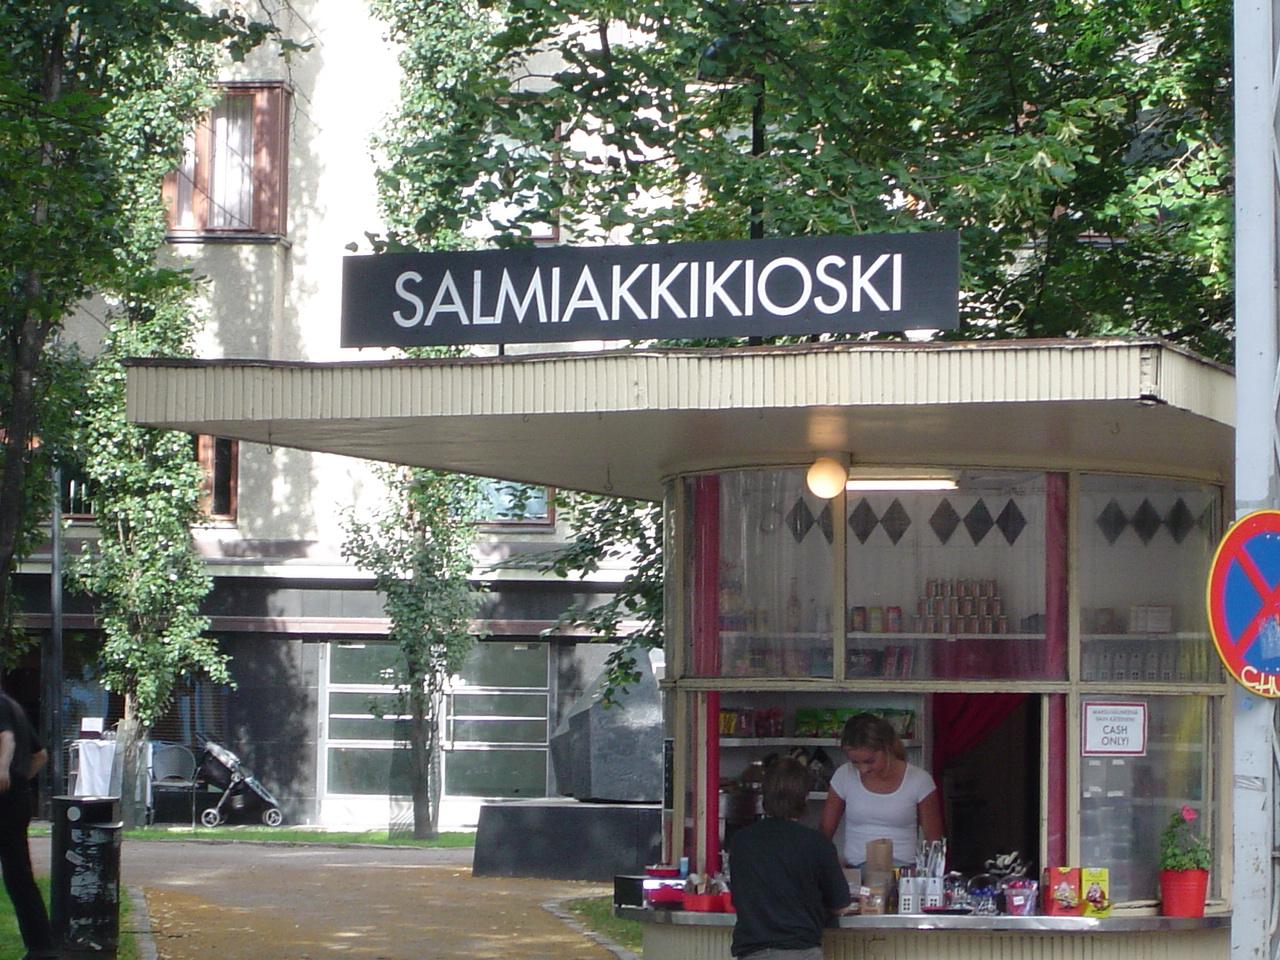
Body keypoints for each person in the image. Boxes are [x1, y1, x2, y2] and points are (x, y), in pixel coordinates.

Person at [728, 756, 852, 960]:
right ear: (805, 797)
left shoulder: (740, 841)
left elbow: (737, 896)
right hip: (801, 951)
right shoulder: (817, 843)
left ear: (765, 796)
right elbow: (841, 905)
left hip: (752, 952)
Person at [819, 713, 943, 868]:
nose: (863, 769)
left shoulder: (920, 780)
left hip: (904, 872)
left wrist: (926, 875)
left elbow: (934, 842)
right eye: (855, 762)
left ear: (887, 749)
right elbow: (824, 833)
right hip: (855, 871)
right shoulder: (843, 775)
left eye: (869, 761)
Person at [0, 690, 57, 960]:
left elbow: (7, 738)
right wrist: (20, 779)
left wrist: (3, 773)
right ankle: (41, 947)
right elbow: (41, 755)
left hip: (4, 798)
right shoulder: (14, 706)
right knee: (19, 875)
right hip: (17, 799)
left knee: (18, 875)